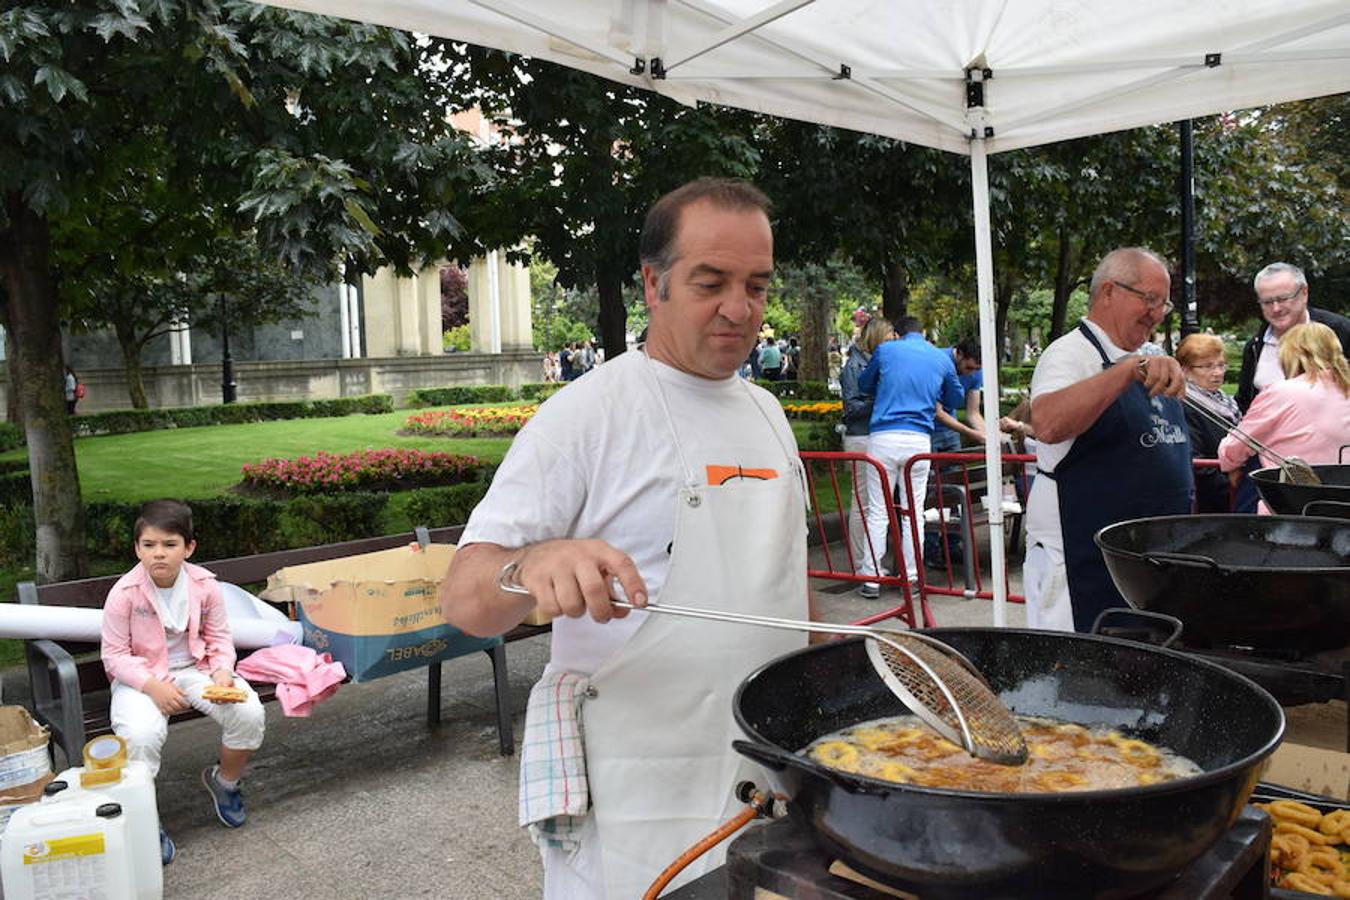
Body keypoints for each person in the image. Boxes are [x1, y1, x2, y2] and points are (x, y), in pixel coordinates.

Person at [439, 178, 809, 900]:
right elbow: (463, 597)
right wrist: (531, 563)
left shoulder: (767, 411)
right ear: (653, 283)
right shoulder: (587, 415)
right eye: (711, 283)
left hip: (766, 772)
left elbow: (783, 589)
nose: (741, 309)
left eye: (757, 285)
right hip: (639, 793)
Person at [1023, 248, 1193, 633]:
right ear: (1109, 292)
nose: (1157, 313)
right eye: (1149, 299)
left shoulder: (1147, 357)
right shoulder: (1069, 354)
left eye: (1163, 304)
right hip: (1080, 560)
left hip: (1142, 563)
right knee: (1077, 674)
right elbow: (1047, 423)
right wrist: (1128, 371)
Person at [100, 499, 265, 866]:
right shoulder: (124, 593)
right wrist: (152, 686)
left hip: (198, 670)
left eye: (169, 544)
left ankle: (225, 783)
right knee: (140, 737)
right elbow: (114, 656)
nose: (158, 554)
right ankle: (145, 822)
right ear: (137, 548)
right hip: (141, 679)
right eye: (149, 545)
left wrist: (222, 670)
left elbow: (220, 638)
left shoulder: (205, 586)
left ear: (189, 547)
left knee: (249, 713)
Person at [855, 316, 964, 599]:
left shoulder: (887, 350)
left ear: (898, 334)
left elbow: (864, 384)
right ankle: (913, 578)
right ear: (923, 332)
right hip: (918, 440)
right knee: (913, 512)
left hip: (883, 438)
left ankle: (871, 578)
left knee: (879, 510)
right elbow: (955, 399)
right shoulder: (939, 358)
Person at [1219, 322, 1350, 508]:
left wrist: (1230, 462)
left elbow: (1236, 447)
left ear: (1290, 354)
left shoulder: (1281, 393)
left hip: (1292, 508)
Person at [1235, 262, 1350, 413]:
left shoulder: (1340, 331)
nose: (1276, 308)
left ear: (1304, 293)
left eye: (1283, 299)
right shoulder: (1255, 347)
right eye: (1267, 302)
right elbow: (1244, 403)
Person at [839, 317, 896, 576]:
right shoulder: (854, 366)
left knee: (873, 504)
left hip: (875, 436)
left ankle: (870, 561)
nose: (891, 343)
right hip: (860, 437)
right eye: (887, 338)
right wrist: (881, 399)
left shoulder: (874, 363)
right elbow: (852, 409)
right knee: (863, 503)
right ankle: (862, 563)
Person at [1174, 334, 1256, 513]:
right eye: (1207, 366)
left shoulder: (1226, 402)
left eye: (1220, 365)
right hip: (1212, 501)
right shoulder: (1183, 403)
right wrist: (1234, 486)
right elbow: (1197, 462)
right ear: (1185, 370)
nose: (1218, 372)